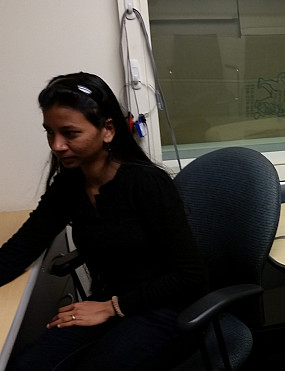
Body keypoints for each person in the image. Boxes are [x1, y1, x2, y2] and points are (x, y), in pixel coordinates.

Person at [2, 72, 208, 370]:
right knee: (28, 364)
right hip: (108, 303)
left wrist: (114, 307)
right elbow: (23, 246)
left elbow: (192, 277)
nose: (56, 145)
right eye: (50, 132)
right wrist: (109, 306)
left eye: (70, 133)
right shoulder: (69, 183)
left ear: (108, 130)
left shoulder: (146, 184)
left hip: (166, 307)